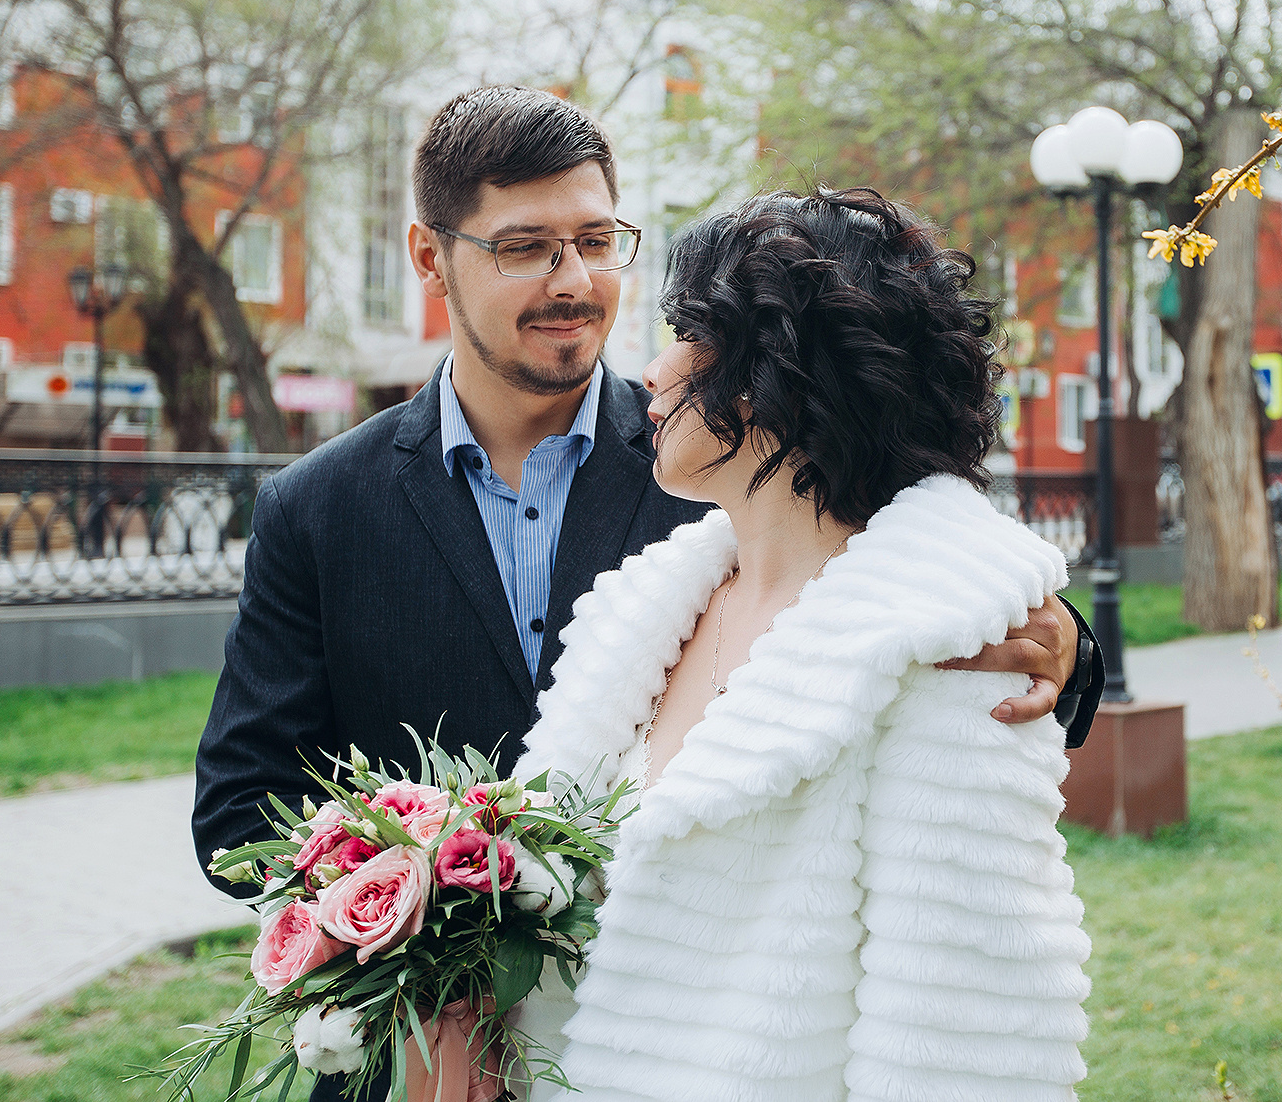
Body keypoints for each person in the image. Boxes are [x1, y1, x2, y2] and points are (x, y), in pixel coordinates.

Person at [190, 87, 1102, 1102]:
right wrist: (408, 932)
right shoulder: (318, 505)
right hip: (412, 1066)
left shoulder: (716, 466)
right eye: (524, 246)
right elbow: (239, 804)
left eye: (595, 239)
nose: (572, 280)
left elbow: (906, 610)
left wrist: (1053, 633)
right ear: (428, 256)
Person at [515, 188, 1093, 1101]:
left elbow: (962, 1043)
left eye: (689, 336)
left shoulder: (949, 652)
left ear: (776, 372)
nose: (654, 372)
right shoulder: (648, 614)